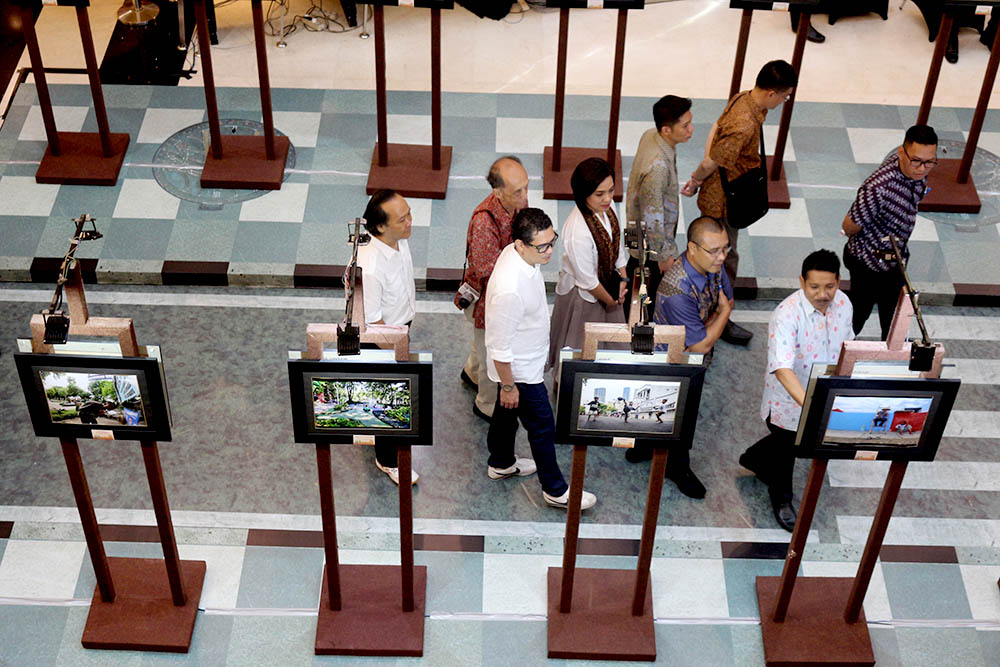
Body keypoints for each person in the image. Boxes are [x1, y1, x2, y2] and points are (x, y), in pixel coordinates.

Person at [484, 208, 597, 510]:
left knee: (506, 416)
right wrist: (509, 385)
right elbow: (499, 345)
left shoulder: (519, 254)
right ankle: (555, 489)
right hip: (519, 370)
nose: (550, 251)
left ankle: (501, 462)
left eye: (552, 242)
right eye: (542, 246)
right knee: (543, 426)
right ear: (520, 244)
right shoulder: (509, 288)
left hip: (526, 359)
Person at [685, 59, 798, 346]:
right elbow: (712, 161)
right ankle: (715, 312)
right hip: (723, 200)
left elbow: (715, 128)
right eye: (784, 96)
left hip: (728, 190)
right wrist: (695, 181)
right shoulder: (744, 125)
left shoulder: (744, 98)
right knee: (723, 257)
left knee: (724, 256)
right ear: (772, 93)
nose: (785, 101)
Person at [739, 249, 853, 531]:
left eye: (829, 286)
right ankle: (781, 499)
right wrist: (811, 405)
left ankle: (752, 459)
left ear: (838, 281)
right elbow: (782, 368)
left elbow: (848, 344)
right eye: (814, 287)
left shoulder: (844, 303)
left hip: (825, 392)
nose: (823, 294)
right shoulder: (786, 315)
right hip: (790, 401)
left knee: (783, 445)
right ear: (802, 282)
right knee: (787, 450)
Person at [626, 216, 735, 498]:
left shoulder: (712, 266)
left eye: (726, 249)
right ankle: (676, 466)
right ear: (692, 248)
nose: (722, 257)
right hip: (668, 363)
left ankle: (644, 445)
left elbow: (729, 298)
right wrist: (721, 315)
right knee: (678, 415)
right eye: (715, 251)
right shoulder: (677, 290)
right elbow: (700, 346)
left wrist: (712, 324)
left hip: (688, 357)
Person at [842, 124, 937, 340]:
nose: (922, 168)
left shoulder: (917, 174)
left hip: (895, 262)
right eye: (916, 161)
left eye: (929, 162)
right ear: (901, 152)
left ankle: (891, 362)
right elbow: (849, 226)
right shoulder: (877, 188)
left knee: (895, 323)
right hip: (867, 265)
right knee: (855, 319)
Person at [456, 156, 530, 424]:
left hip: (501, 292)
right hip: (488, 298)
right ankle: (486, 404)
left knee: (481, 345)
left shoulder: (516, 205)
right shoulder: (484, 221)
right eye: (517, 191)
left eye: (526, 187)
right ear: (497, 192)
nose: (525, 197)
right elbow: (488, 271)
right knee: (491, 354)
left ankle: (469, 373)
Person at [357, 189, 419, 485]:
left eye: (409, 214)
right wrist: (399, 353)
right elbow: (373, 323)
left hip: (400, 327)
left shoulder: (397, 240)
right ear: (380, 226)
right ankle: (388, 460)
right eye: (402, 218)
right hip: (382, 340)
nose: (410, 222)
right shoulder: (370, 267)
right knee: (388, 398)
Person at [547, 158, 628, 370]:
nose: (608, 198)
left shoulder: (608, 209)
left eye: (611, 191)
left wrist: (624, 279)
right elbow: (587, 281)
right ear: (583, 193)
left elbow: (617, 247)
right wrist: (613, 301)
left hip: (609, 287)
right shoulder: (577, 230)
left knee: (611, 345)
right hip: (586, 296)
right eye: (599, 194)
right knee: (579, 349)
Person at [623, 95, 694, 321]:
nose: (691, 129)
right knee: (645, 294)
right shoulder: (658, 168)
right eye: (685, 126)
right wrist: (663, 256)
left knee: (637, 278)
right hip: (650, 246)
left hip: (637, 231)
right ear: (666, 129)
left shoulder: (651, 136)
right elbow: (652, 218)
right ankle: (637, 337)